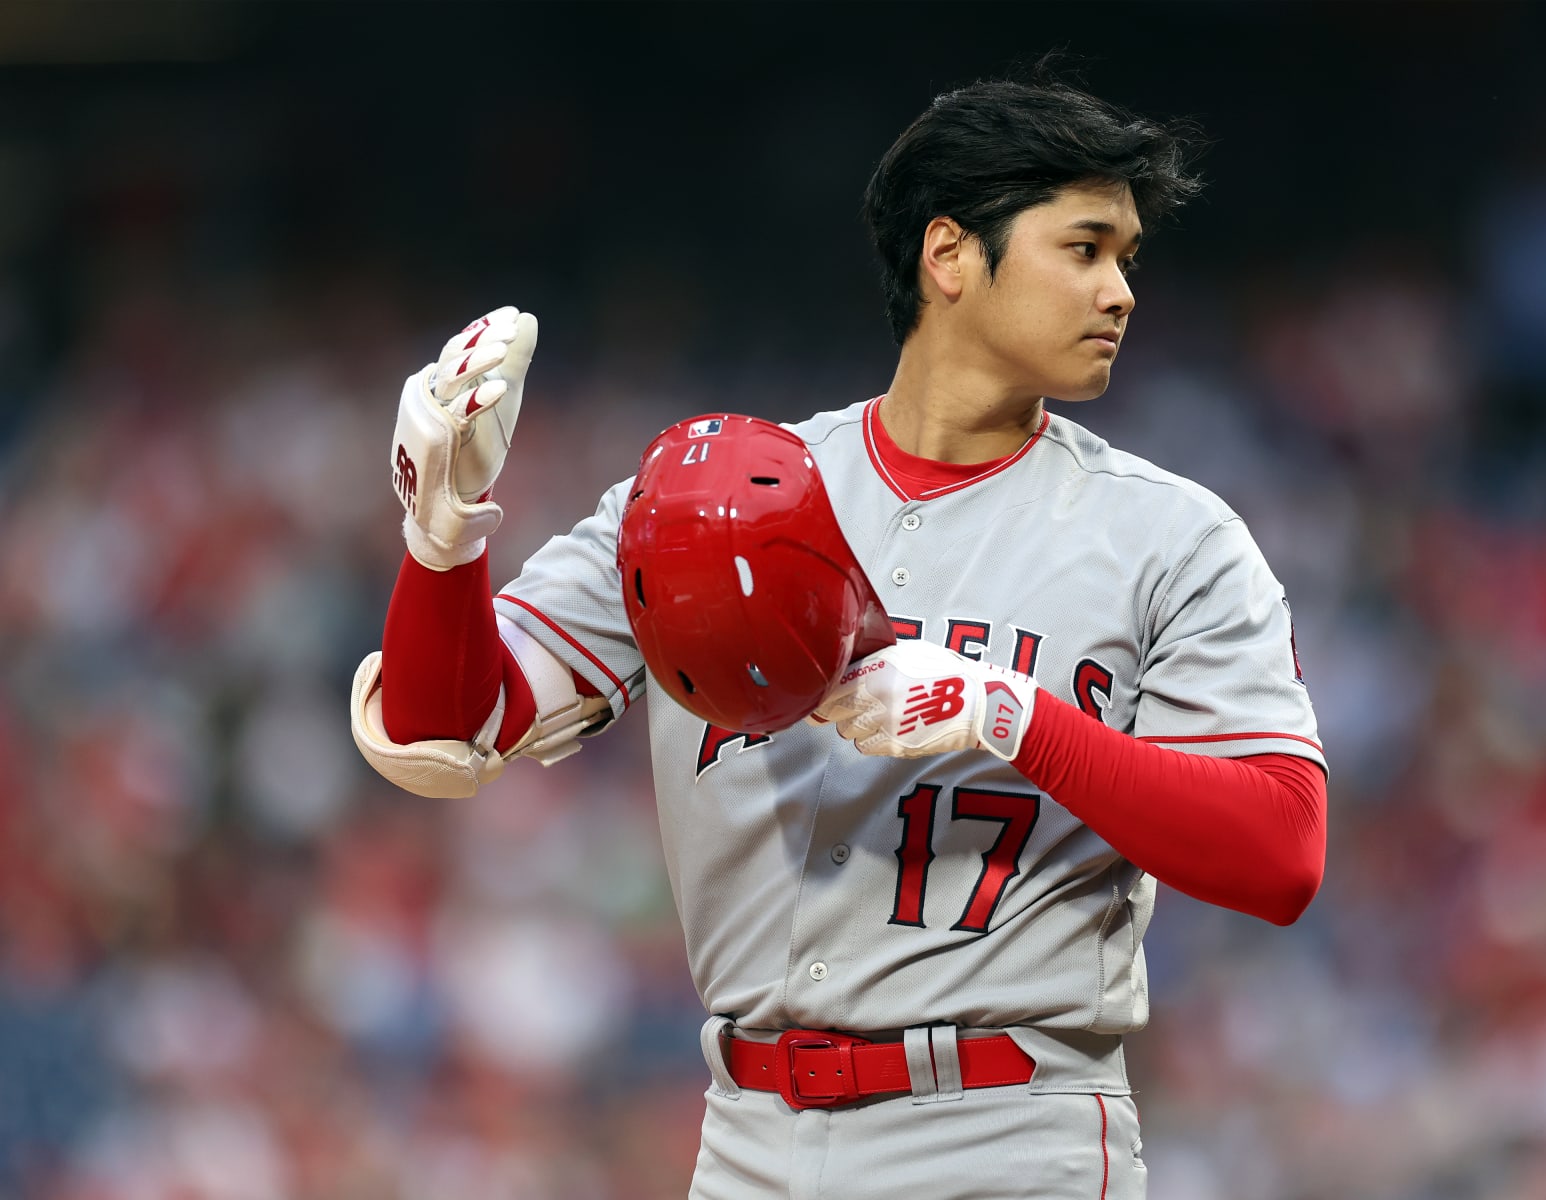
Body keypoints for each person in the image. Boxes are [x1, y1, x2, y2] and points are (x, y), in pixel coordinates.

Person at [352, 72, 1327, 1200]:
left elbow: (1282, 854)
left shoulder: (1171, 537)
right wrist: (443, 540)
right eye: (1085, 247)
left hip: (1009, 1133)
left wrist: (1010, 717)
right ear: (951, 256)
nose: (1120, 291)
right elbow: (444, 730)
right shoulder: (713, 504)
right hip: (750, 1138)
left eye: (1126, 258)